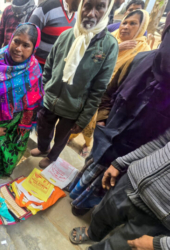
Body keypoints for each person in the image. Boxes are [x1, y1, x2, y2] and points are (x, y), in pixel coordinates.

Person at [68, 13, 170, 216]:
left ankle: (83, 208)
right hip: (106, 140)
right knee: (86, 174)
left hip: (131, 160)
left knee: (100, 192)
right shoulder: (140, 60)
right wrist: (104, 120)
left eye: (133, 23)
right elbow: (109, 93)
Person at [30, 0, 118, 169]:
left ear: (107, 11)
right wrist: (42, 92)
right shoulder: (67, 35)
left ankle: (52, 156)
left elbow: (99, 89)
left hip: (74, 107)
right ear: (81, 7)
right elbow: (49, 66)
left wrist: (84, 117)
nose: (91, 13)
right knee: (43, 127)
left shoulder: (108, 46)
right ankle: (42, 147)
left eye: (99, 7)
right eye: (87, 6)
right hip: (50, 98)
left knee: (62, 136)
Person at [70, 128, 170, 250]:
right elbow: (160, 143)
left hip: (159, 216)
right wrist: (121, 162)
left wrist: (162, 244)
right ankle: (92, 233)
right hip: (131, 181)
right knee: (101, 215)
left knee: (116, 247)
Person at [68, 9, 150, 157]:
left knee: (96, 124)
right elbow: (91, 59)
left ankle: (88, 144)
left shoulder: (143, 51)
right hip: (91, 88)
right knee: (79, 116)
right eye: (124, 22)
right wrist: (116, 49)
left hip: (111, 98)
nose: (125, 26)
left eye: (133, 24)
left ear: (142, 27)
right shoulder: (110, 39)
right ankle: (70, 136)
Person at [0, 23, 44, 182]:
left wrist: (24, 123)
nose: (18, 48)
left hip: (18, 122)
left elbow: (35, 99)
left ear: (34, 48)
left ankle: (6, 170)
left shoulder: (33, 68)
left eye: (26, 45)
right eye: (16, 41)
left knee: (12, 149)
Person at [28, 0, 80, 68]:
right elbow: (27, 35)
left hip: (59, 69)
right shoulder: (46, 8)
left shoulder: (79, 15)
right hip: (38, 67)